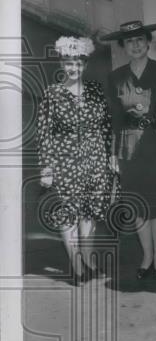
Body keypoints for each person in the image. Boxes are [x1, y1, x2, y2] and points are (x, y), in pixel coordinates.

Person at [38, 36, 116, 285]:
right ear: (62, 63)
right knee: (67, 214)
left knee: (89, 213)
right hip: (65, 161)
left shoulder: (95, 90)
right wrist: (46, 167)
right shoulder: (53, 93)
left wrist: (109, 157)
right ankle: (76, 265)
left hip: (95, 160)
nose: (73, 68)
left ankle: (89, 260)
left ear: (85, 64)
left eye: (78, 63)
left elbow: (106, 126)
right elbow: (44, 133)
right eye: (69, 63)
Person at [101, 20, 156, 281]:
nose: (135, 45)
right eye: (129, 41)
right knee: (138, 203)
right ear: (122, 46)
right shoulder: (115, 76)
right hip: (128, 145)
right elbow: (115, 118)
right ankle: (147, 256)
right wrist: (113, 154)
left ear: (148, 42)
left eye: (140, 39)